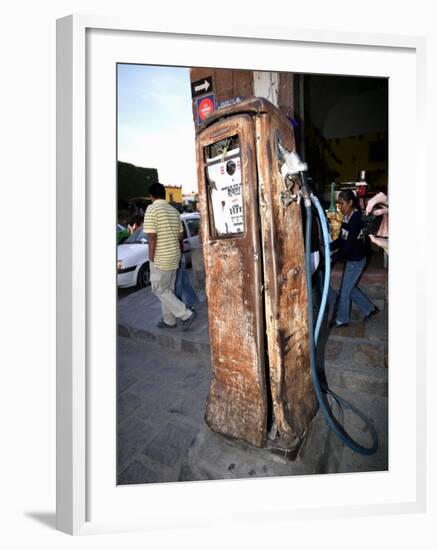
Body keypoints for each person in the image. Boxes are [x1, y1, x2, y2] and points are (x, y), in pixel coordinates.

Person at [143, 182, 197, 330]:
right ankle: (169, 321)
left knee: (159, 290)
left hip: (161, 258)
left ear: (151, 196)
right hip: (175, 256)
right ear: (164, 194)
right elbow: (181, 235)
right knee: (169, 290)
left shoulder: (152, 209)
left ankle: (186, 314)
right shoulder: (174, 211)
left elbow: (152, 236)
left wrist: (151, 258)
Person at [329, 189, 378, 328]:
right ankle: (370, 309)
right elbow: (342, 238)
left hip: (356, 260)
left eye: (342, 204)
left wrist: (336, 257)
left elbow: (349, 242)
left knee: (345, 291)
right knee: (350, 288)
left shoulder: (356, 218)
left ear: (350, 203)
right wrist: (330, 246)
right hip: (352, 258)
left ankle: (342, 319)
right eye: (338, 203)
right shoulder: (346, 215)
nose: (339, 206)